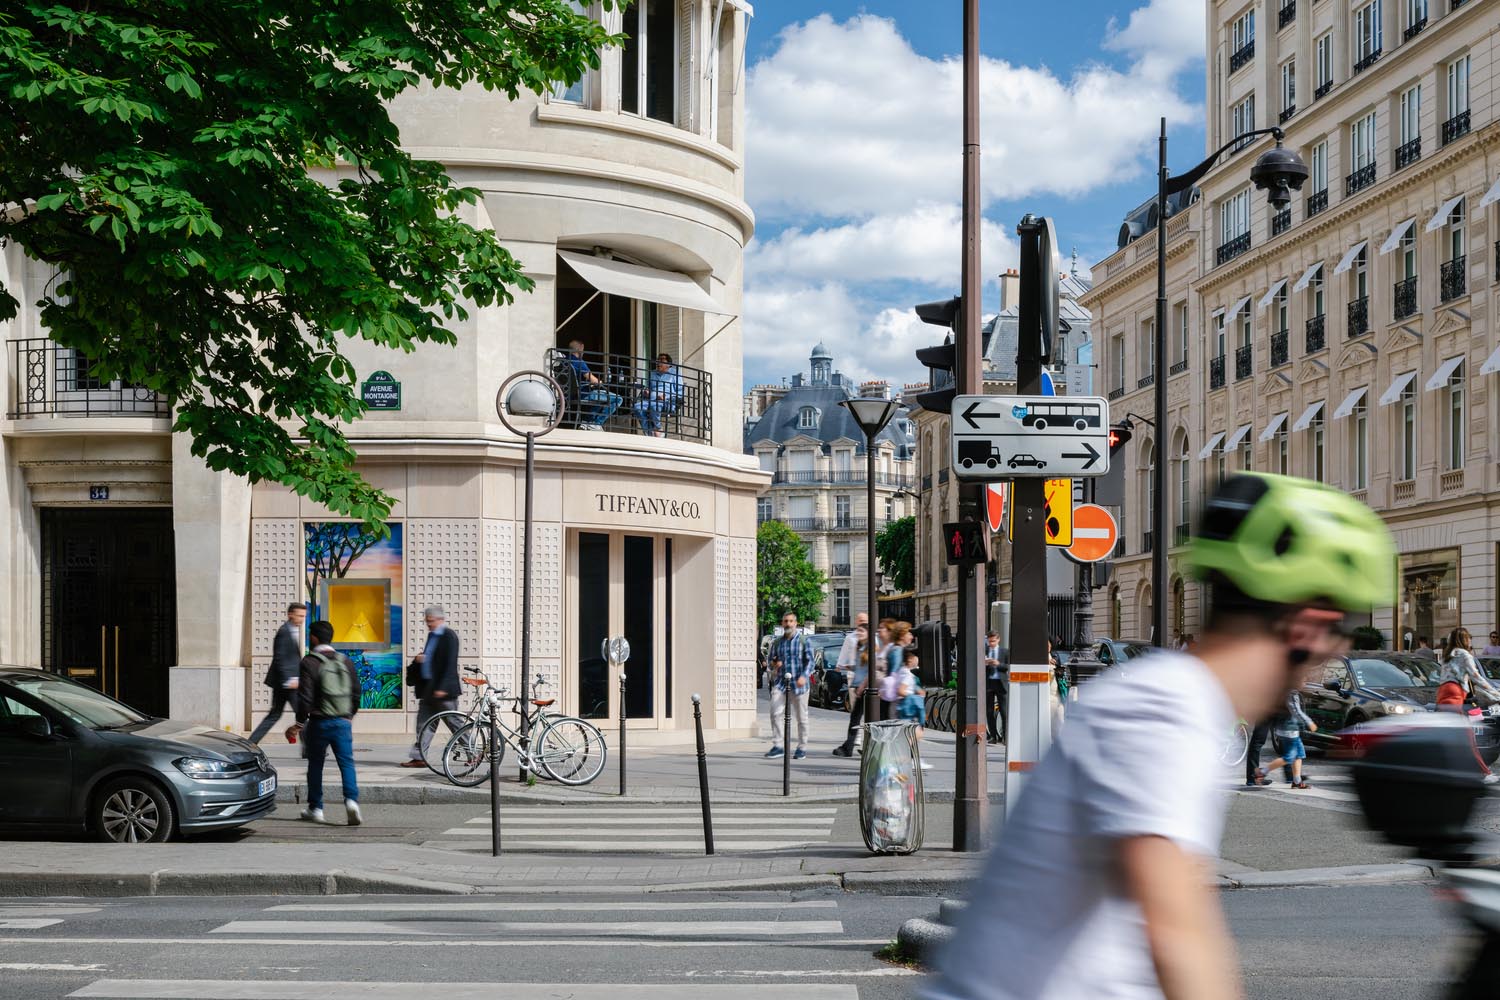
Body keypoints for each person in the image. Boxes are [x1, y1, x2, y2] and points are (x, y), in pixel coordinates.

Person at [921, 472, 1395, 1000]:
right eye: (1342, 634)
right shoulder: (1163, 707)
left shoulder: (1174, 702)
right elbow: (1177, 936)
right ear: (1309, 627)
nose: (1329, 661)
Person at [288, 620, 362, 825]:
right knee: (346, 763)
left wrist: (299, 723)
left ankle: (316, 808)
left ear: (314, 637)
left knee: (316, 765)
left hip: (319, 722)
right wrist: (348, 716)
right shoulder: (345, 661)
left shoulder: (309, 662)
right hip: (342, 722)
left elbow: (305, 698)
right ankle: (351, 802)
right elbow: (357, 693)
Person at [400, 606, 461, 768]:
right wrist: (421, 659)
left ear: (440, 619)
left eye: (431, 621)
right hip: (429, 690)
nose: (428, 624)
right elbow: (434, 661)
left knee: (455, 723)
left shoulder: (449, 636)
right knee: (423, 724)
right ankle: (420, 757)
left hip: (443, 692)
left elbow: (449, 664)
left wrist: (442, 688)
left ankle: (473, 753)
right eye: (427, 620)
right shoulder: (432, 636)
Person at [249, 602, 306, 745]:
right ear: (290, 614)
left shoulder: (290, 630)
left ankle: (251, 743)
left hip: (283, 683)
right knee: (302, 715)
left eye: (304, 616)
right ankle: (311, 749)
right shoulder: (284, 631)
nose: (302, 619)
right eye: (299, 615)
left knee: (274, 715)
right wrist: (290, 679)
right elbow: (279, 657)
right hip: (288, 684)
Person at [764, 611, 813, 759]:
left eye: (791, 621)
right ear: (782, 623)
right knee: (775, 712)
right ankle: (778, 745)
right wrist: (774, 663)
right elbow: (771, 663)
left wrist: (804, 676)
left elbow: (810, 662)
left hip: (799, 685)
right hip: (781, 684)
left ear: (796, 623)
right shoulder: (777, 642)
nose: (788, 624)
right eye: (785, 621)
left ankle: (802, 747)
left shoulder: (804, 641)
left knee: (801, 718)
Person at [1255, 690, 1318, 789]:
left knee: (1299, 754)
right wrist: (1309, 722)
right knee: (1289, 757)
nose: (1304, 682)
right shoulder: (1291, 692)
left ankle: (1297, 781)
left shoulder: (1289, 689)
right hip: (1288, 729)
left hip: (1291, 729)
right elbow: (1296, 710)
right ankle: (1262, 772)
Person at [832, 613, 871, 757]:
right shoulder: (855, 641)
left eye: (864, 626)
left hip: (868, 686)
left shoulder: (873, 643)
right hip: (858, 683)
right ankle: (851, 745)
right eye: (860, 624)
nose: (860, 629)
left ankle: (858, 745)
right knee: (855, 715)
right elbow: (849, 660)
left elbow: (873, 667)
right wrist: (843, 667)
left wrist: (863, 684)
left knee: (866, 716)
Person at [566, 339, 621, 428]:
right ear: (580, 349)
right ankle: (595, 423)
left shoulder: (565, 361)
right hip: (583, 394)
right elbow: (594, 380)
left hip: (569, 394)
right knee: (617, 399)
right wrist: (600, 382)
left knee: (600, 399)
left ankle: (586, 423)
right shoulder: (579, 362)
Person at [1440, 627, 1500, 709]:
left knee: (1448, 717)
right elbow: (1476, 677)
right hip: (1456, 690)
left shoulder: (1447, 655)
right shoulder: (1465, 655)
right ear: (1464, 640)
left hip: (1443, 689)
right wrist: (1495, 694)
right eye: (1468, 637)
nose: (1470, 640)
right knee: (1455, 718)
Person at [896, 648, 931, 770]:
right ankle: (905, 760)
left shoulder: (902, 671)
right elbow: (901, 690)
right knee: (917, 733)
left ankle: (910, 759)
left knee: (912, 734)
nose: (918, 660)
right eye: (916, 657)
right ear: (910, 659)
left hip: (903, 707)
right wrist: (914, 696)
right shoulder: (907, 674)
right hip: (908, 707)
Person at [632, 353, 683, 437]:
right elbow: (648, 387)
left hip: (667, 400)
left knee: (654, 404)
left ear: (668, 364)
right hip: (651, 398)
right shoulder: (652, 373)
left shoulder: (675, 373)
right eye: (658, 360)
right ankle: (650, 433)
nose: (658, 362)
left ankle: (657, 428)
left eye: (662, 360)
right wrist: (646, 392)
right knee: (637, 407)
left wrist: (666, 396)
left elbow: (680, 391)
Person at [984, 631, 1008, 745]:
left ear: (998, 640)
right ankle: (993, 736)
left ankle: (1005, 737)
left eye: (993, 641)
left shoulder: (1005, 652)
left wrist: (998, 664)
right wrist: (984, 663)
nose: (991, 643)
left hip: (1001, 683)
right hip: (989, 683)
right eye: (989, 641)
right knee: (989, 711)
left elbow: (1008, 666)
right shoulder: (985, 651)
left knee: (1004, 712)